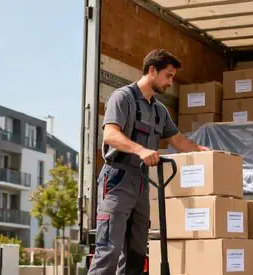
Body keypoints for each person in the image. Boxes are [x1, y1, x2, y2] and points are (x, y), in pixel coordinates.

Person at [88, 49, 209, 275]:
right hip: (118, 179)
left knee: (136, 252)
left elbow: (180, 142)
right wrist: (140, 149)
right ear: (152, 71)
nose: (171, 82)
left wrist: (207, 153)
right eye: (168, 76)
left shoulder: (158, 110)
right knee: (109, 250)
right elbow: (110, 135)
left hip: (142, 182)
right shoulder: (122, 97)